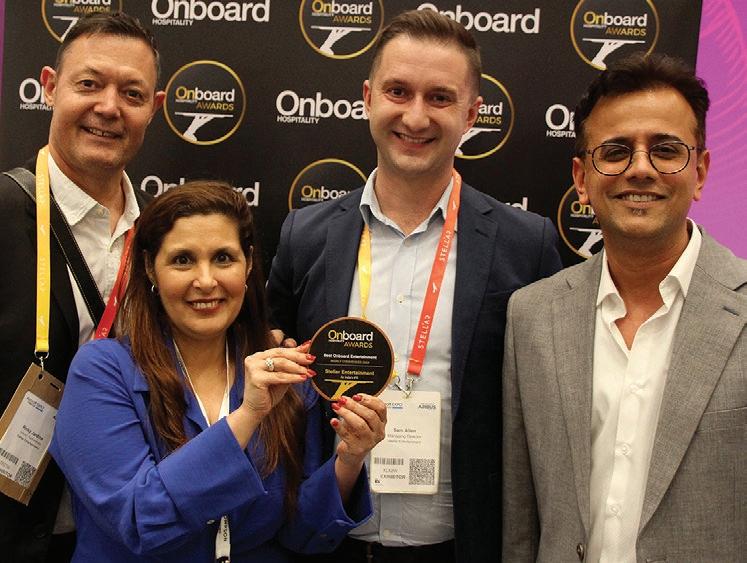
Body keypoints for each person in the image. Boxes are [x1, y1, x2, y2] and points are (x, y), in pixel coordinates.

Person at [267, 9, 562, 563]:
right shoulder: (304, 236)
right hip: (330, 543)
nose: (416, 116)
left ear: (472, 114)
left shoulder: (526, 245)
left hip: (462, 546)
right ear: (368, 98)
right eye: (398, 91)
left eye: (440, 98)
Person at [49, 181, 386, 562]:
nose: (206, 281)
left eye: (223, 258)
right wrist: (247, 416)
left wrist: (349, 459)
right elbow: (140, 521)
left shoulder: (281, 374)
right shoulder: (102, 372)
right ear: (150, 268)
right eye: (183, 260)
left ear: (248, 264)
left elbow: (301, 535)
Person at [502, 52, 746, 562]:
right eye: (615, 151)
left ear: (700, 172)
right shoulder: (532, 316)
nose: (639, 169)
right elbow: (522, 517)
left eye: (666, 150)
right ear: (582, 179)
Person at [0, 12, 165, 562]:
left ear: (154, 108)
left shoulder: (161, 240)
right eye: (89, 84)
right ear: (50, 87)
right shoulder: (3, 211)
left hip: (121, 531)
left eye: (132, 94)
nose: (109, 107)